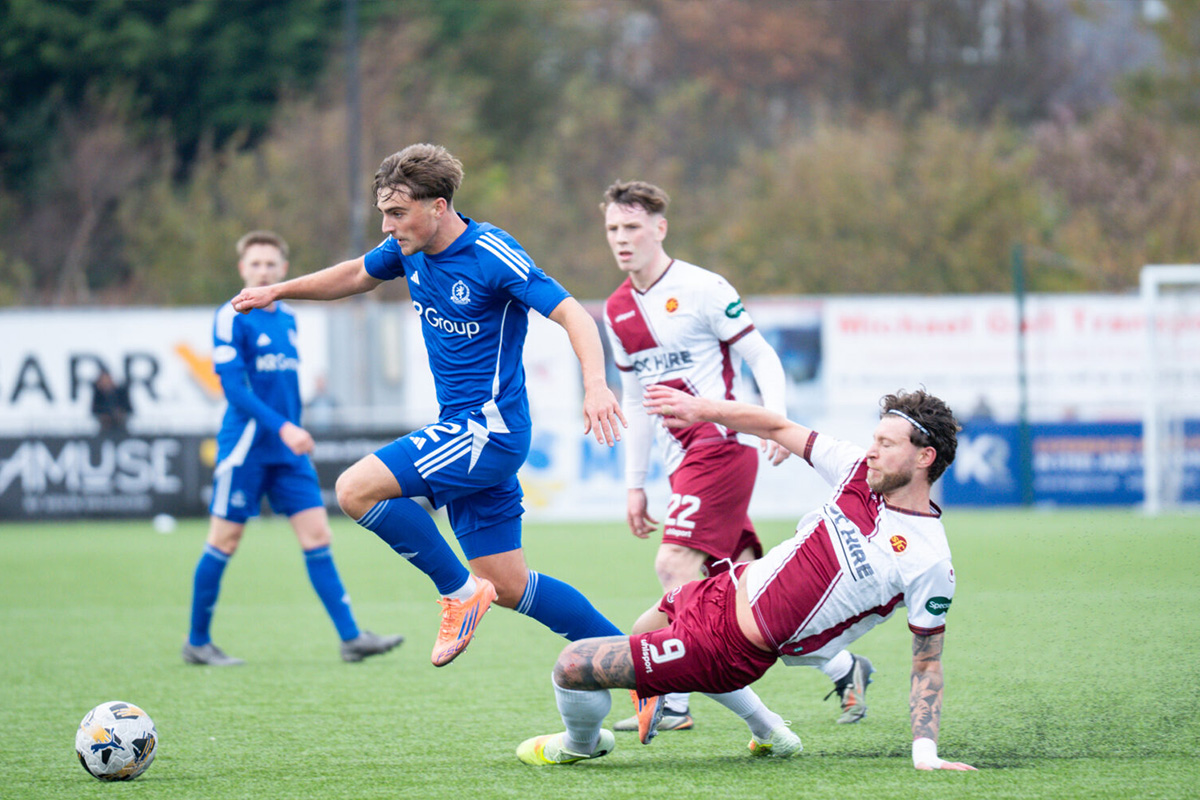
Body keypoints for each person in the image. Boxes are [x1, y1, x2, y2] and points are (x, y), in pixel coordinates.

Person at [231, 144, 628, 668]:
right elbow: (354, 276)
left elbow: (574, 314)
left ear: (438, 206)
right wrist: (278, 290)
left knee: (354, 490)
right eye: (383, 214)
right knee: (508, 585)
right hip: (462, 431)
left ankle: (459, 593)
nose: (387, 227)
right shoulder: (406, 247)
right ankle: (648, 671)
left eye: (397, 213)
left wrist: (596, 385)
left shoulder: (491, 252)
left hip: (489, 431)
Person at [516, 385, 976, 773]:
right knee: (644, 629)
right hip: (724, 588)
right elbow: (776, 427)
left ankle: (581, 745)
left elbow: (927, 662)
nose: (872, 450)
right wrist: (702, 409)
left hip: (733, 648)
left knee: (573, 665)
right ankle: (770, 730)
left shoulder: (929, 559)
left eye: (887, 444)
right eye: (874, 439)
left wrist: (925, 752)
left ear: (924, 458)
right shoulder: (857, 471)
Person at [600, 180, 871, 731]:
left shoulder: (702, 288)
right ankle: (847, 667)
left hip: (722, 445)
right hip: (685, 462)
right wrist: (635, 484)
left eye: (632, 228)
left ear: (660, 228)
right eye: (612, 229)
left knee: (672, 565)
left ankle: (674, 700)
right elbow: (636, 400)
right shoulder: (617, 309)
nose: (622, 240)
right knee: (751, 594)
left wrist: (777, 423)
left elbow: (762, 356)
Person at [183, 230, 405, 666]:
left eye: (270, 264)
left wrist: (291, 428)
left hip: (289, 451)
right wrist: (284, 427)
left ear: (282, 271)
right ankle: (197, 641)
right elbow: (234, 388)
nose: (262, 270)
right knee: (224, 541)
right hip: (246, 447)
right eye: (255, 264)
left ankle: (351, 637)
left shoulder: (287, 318)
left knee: (318, 536)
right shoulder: (231, 316)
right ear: (242, 269)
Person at [91, 368, 132, 435]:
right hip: (104, 429)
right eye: (103, 380)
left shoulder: (121, 392)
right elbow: (94, 410)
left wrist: (120, 414)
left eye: (107, 379)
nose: (105, 382)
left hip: (121, 428)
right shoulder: (98, 395)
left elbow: (129, 409)